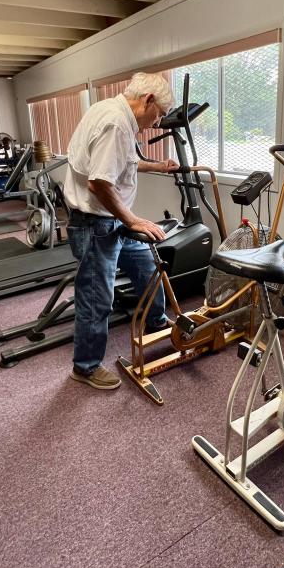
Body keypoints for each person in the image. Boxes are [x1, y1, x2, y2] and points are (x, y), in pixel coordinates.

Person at [63, 72, 178, 390]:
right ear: (148, 100)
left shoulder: (109, 110)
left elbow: (121, 161)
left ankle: (155, 321)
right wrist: (132, 221)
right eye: (160, 115)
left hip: (111, 219)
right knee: (97, 297)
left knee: (147, 266)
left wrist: (156, 166)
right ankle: (84, 368)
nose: (157, 123)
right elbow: (99, 182)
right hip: (97, 222)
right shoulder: (115, 123)